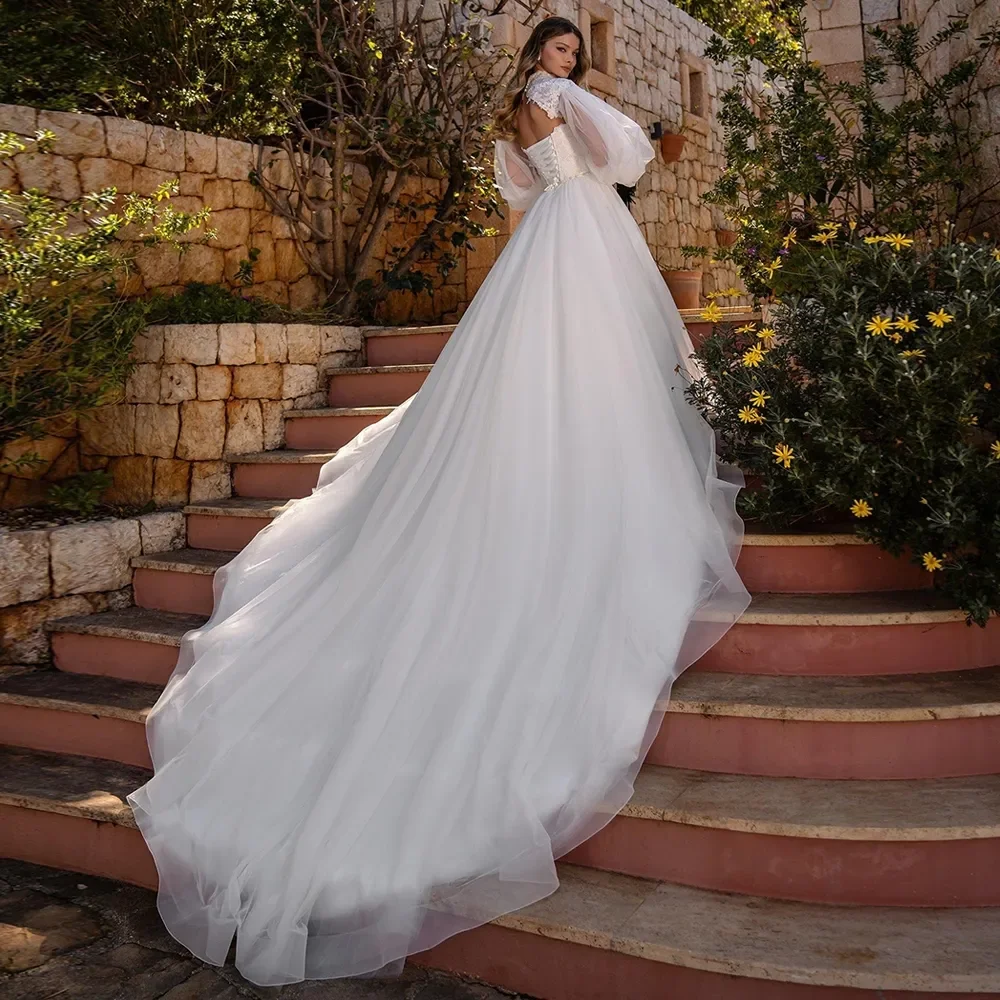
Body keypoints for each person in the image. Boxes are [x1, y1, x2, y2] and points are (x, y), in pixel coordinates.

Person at [127, 15, 751, 988]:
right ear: (534, 59)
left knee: (572, 375)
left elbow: (530, 198)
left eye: (570, 52)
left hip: (556, 246)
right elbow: (597, 167)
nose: (564, 60)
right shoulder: (547, 109)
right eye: (554, 50)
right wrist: (608, 129)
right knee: (580, 374)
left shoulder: (522, 115)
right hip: (576, 238)